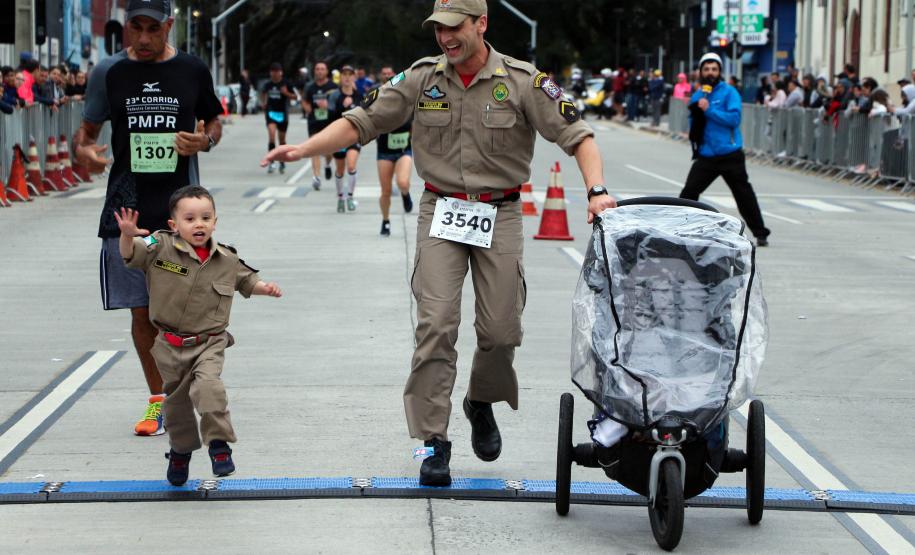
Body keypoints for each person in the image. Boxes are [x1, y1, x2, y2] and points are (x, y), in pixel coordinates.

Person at [262, 0, 616, 487]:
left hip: (499, 211)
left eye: (455, 27)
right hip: (441, 211)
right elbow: (361, 120)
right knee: (436, 324)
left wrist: (597, 191)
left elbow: (578, 136)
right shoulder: (421, 78)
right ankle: (433, 443)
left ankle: (480, 400)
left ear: (481, 24)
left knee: (501, 330)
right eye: (438, 29)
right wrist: (304, 149)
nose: (445, 37)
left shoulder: (522, 81)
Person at [74, 0, 224, 437]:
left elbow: (214, 120)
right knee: (142, 314)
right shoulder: (108, 72)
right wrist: (84, 152)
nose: (142, 38)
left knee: (180, 314)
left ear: (169, 26)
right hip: (128, 210)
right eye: (134, 28)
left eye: (152, 29)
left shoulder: (192, 70)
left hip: (181, 213)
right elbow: (85, 134)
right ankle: (159, 400)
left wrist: (205, 141)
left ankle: (187, 385)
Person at [115, 186, 282, 485]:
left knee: (209, 388)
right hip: (170, 345)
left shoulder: (226, 258)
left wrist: (265, 289)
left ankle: (219, 446)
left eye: (205, 217)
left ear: (215, 222)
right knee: (176, 406)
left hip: (209, 342)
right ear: (174, 224)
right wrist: (127, 235)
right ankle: (180, 453)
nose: (199, 224)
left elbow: (246, 281)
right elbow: (130, 254)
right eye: (190, 219)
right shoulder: (159, 246)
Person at [680, 52, 770, 247]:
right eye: (706, 69)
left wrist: (709, 109)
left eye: (714, 69)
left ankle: (761, 233)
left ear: (719, 71)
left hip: (730, 154)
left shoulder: (730, 92)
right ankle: (681, 230)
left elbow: (734, 119)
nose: (710, 73)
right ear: (701, 72)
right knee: (689, 193)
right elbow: (693, 121)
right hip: (707, 155)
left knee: (743, 194)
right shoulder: (698, 95)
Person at [374, 65, 415, 236]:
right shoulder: (377, 96)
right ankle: (386, 221)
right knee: (386, 191)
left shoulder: (407, 98)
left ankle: (405, 194)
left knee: (403, 182)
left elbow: (415, 123)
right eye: (384, 74)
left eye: (390, 74)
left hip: (404, 150)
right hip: (384, 151)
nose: (387, 76)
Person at [327, 65, 364, 212]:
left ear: (354, 77)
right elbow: (330, 118)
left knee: (351, 166)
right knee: (340, 170)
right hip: (338, 138)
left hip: (354, 137)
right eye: (344, 74)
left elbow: (364, 115)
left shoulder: (359, 95)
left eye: (350, 74)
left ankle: (350, 196)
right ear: (340, 77)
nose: (347, 77)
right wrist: (342, 107)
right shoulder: (334, 96)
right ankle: (340, 197)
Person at [302, 61, 338, 191]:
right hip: (314, 121)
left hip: (329, 122)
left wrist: (328, 106)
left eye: (322, 69)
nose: (320, 71)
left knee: (329, 151)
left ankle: (327, 164)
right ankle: (316, 177)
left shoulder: (333, 87)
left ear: (327, 71)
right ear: (314, 71)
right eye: (317, 69)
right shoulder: (309, 86)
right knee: (314, 149)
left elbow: (338, 103)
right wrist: (307, 108)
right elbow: (304, 100)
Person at [260, 62, 297, 175]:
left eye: (277, 71)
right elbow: (263, 93)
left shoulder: (286, 83)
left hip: (282, 114)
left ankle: (282, 161)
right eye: (273, 71)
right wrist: (263, 103)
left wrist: (286, 93)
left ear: (281, 72)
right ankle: (271, 162)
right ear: (270, 73)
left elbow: (295, 97)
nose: (275, 74)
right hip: (271, 113)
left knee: (282, 140)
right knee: (271, 136)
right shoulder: (268, 84)